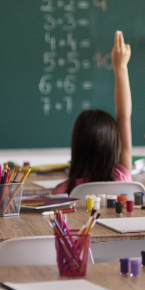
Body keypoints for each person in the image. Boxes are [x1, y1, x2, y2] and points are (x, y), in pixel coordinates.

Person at [53, 31, 133, 194]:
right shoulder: (121, 178)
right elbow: (123, 117)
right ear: (114, 145)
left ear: (77, 145)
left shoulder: (63, 192)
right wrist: (121, 67)